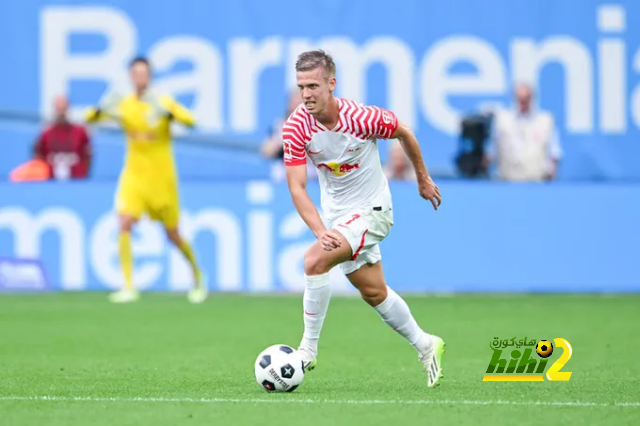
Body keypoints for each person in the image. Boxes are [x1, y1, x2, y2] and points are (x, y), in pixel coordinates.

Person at [283, 50, 445, 388]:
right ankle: (427, 343)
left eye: (313, 85)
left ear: (332, 84)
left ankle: (307, 351)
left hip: (374, 210)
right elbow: (297, 189)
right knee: (373, 292)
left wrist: (422, 178)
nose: (307, 94)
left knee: (314, 261)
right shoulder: (296, 127)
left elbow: (405, 132)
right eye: (301, 87)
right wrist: (320, 229)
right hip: (338, 216)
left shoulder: (361, 117)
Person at [86, 56, 207, 304]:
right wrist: (99, 109)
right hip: (134, 175)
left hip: (162, 179)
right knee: (124, 222)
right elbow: (89, 120)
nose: (140, 78)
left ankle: (197, 275)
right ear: (131, 77)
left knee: (173, 234)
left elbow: (191, 121)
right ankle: (129, 286)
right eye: (136, 73)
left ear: (149, 77)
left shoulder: (160, 102)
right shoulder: (125, 105)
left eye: (144, 73)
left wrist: (169, 113)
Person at [486, 83, 562, 182]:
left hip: (536, 181)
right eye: (520, 99)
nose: (523, 102)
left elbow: (554, 151)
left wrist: (551, 173)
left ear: (532, 99)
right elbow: (492, 150)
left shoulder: (545, 120)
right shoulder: (502, 120)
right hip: (507, 181)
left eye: (526, 98)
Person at [34, 95, 92, 180]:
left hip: (76, 181)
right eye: (59, 109)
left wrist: (83, 175)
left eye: (63, 109)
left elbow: (88, 155)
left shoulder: (80, 132)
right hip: (50, 183)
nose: (61, 112)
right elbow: (39, 156)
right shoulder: (46, 133)